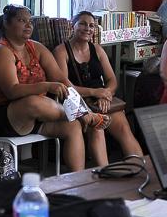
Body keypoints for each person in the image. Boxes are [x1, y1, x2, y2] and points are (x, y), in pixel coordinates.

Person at [0, 4, 106, 172]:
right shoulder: (0, 50)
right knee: (34, 102)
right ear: (6, 24)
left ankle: (78, 179)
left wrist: (80, 104)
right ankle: (84, 115)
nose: (28, 25)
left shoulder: (36, 47)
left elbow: (63, 82)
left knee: (72, 126)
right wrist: (47, 86)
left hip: (34, 116)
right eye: (21, 20)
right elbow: (12, 91)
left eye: (30, 21)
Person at [53, 11, 143, 167]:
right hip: (76, 102)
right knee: (97, 127)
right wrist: (95, 92)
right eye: (82, 24)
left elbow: (112, 80)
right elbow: (66, 87)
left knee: (123, 127)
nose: (87, 28)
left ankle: (140, 168)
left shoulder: (97, 49)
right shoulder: (61, 51)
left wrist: (105, 95)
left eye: (91, 26)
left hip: (101, 99)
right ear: (72, 26)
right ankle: (105, 173)